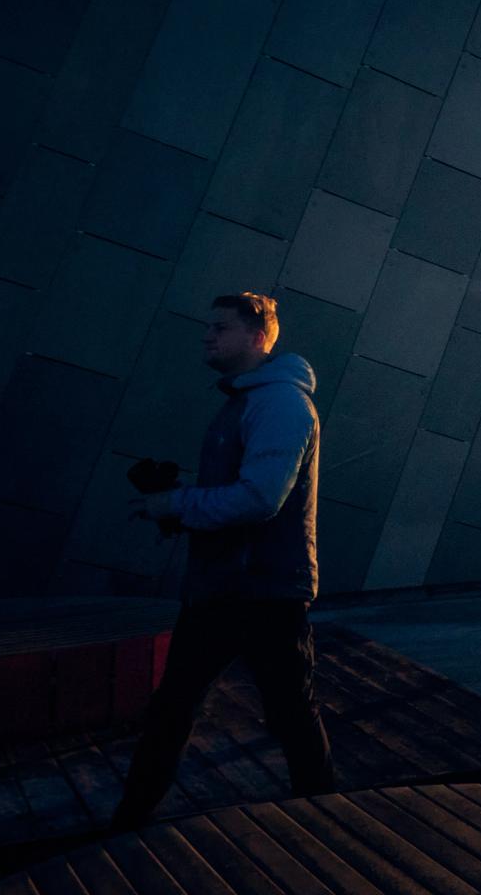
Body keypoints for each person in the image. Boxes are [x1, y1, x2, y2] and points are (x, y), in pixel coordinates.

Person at [112, 292, 334, 828]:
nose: (208, 336)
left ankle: (329, 818)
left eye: (221, 328)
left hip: (264, 591)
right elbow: (244, 491)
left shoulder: (278, 403)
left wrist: (177, 503)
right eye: (208, 327)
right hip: (227, 586)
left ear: (258, 337)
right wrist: (179, 504)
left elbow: (260, 499)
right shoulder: (245, 399)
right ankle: (129, 820)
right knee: (177, 709)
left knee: (288, 715)